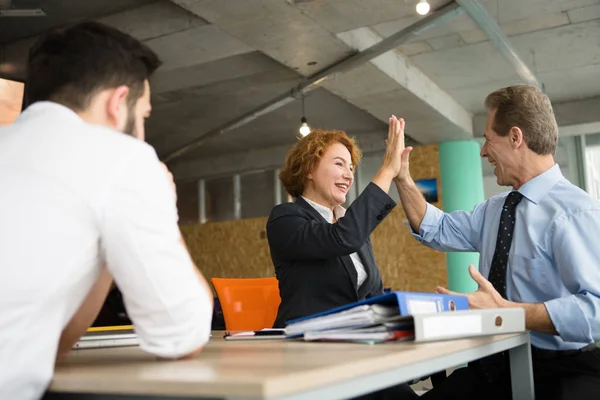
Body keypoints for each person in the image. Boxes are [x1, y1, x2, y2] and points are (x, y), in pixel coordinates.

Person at [0, 22, 213, 400]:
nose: (143, 132)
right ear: (118, 104)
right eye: (144, 115)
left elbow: (52, 344)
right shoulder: (123, 158)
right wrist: (162, 203)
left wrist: (112, 237)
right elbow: (183, 334)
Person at [393, 85, 600, 399]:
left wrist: (507, 311)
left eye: (489, 139)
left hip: (558, 370)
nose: (483, 151)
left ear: (516, 138)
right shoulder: (495, 209)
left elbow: (596, 310)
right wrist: (403, 179)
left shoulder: (574, 211)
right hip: (492, 365)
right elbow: (436, 228)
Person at [267, 120, 419, 399]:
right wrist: (386, 171)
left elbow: (372, 292)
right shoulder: (285, 218)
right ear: (310, 168)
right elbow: (340, 239)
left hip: (357, 351)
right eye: (339, 164)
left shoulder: (351, 224)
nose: (348, 174)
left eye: (351, 167)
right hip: (310, 354)